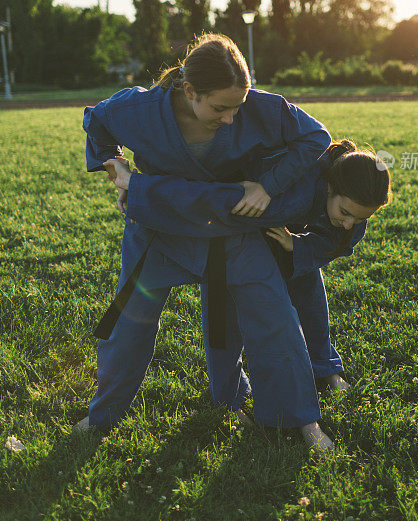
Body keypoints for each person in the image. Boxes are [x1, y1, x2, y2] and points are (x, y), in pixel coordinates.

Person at [76, 33, 335, 450]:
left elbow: (315, 138)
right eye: (220, 108)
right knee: (128, 326)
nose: (232, 117)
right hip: (158, 235)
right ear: (190, 90)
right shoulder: (139, 109)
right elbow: (97, 120)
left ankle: (299, 419)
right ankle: (102, 415)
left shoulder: (259, 106)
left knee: (276, 320)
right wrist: (115, 167)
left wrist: (269, 186)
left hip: (231, 233)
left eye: (239, 106)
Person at [103, 140, 392, 421]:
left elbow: (339, 242)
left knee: (310, 303)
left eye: (359, 218)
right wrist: (135, 189)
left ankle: (325, 367)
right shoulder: (296, 172)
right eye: (345, 213)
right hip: (241, 237)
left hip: (294, 244)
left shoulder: (351, 206)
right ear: (331, 186)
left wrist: (298, 246)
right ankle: (229, 394)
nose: (349, 223)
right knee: (223, 313)